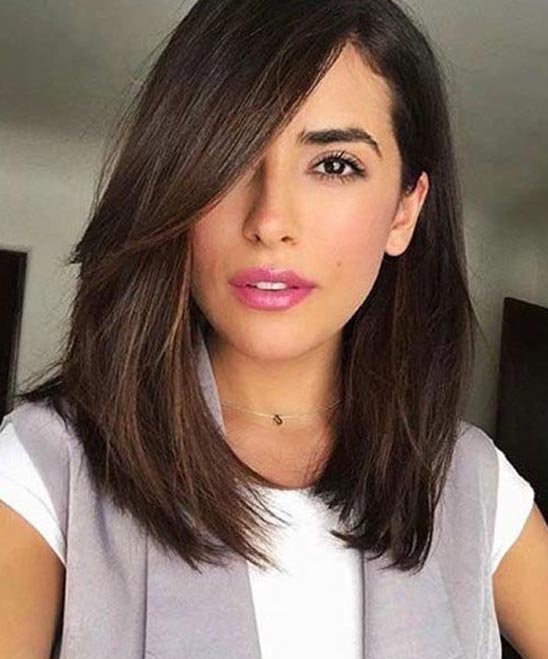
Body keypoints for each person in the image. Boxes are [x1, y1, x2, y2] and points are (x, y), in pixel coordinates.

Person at [1, 0, 547, 657]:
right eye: (232, 156)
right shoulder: (46, 468)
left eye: (334, 164)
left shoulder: (470, 484)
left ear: (405, 211)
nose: (269, 221)